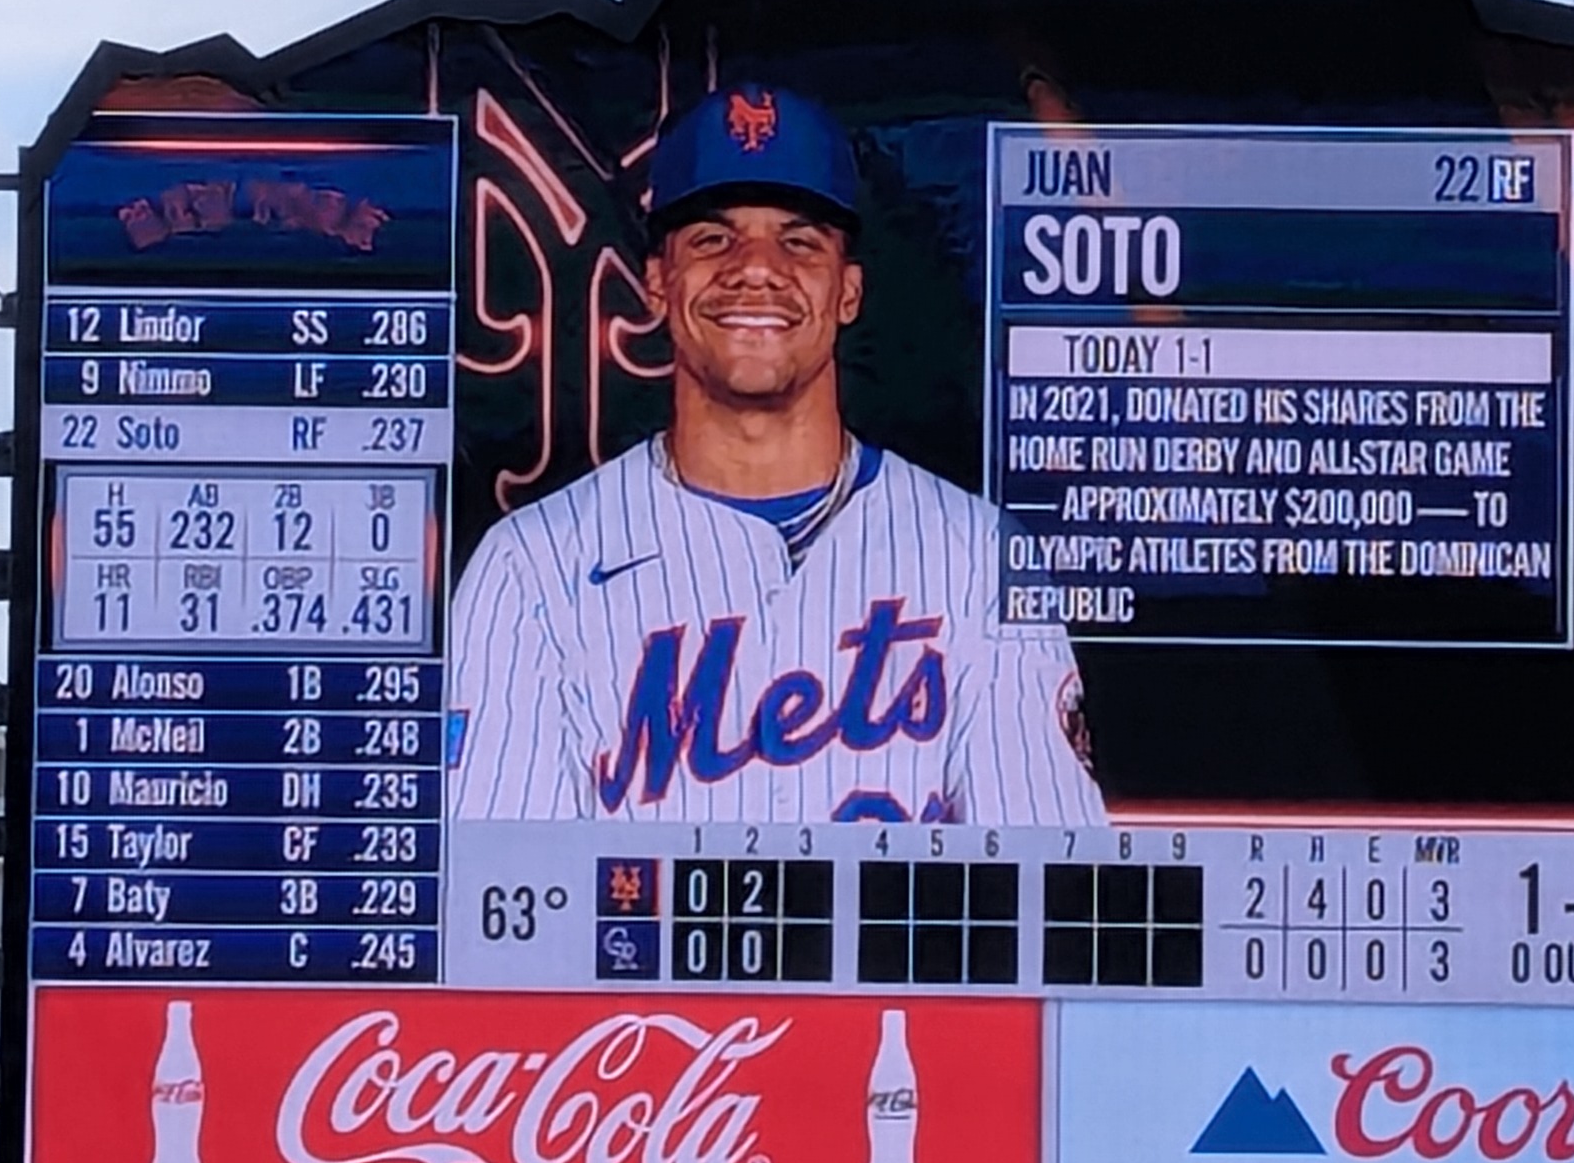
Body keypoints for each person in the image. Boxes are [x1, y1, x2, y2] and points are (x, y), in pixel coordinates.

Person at [451, 81, 1108, 825]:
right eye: (713, 238)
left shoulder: (979, 557)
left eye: (800, 241)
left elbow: (1043, 874)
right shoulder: (533, 570)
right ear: (658, 283)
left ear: (848, 291)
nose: (757, 267)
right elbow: (504, 886)